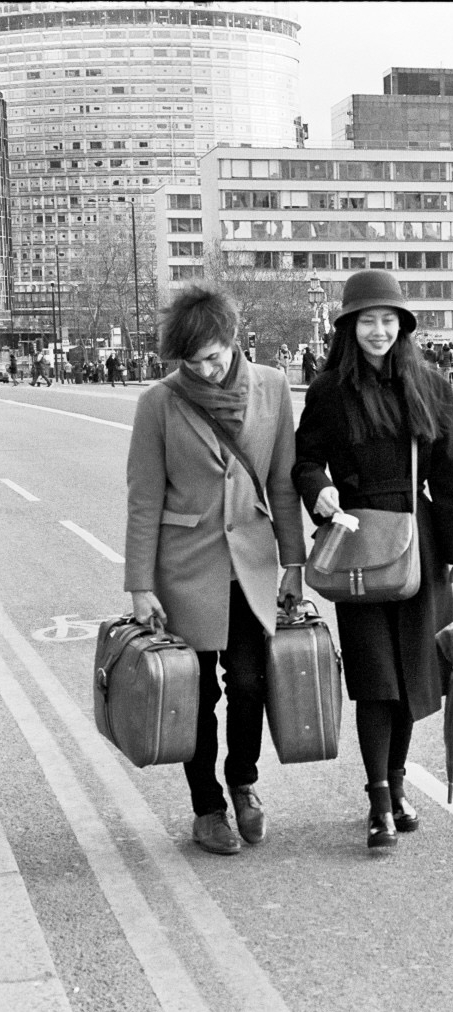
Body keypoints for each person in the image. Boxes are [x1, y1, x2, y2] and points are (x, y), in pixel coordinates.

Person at [293, 269, 453, 851]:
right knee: (375, 679)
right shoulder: (328, 391)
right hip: (358, 544)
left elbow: (452, 475)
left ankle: (397, 786)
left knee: (413, 682)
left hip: (418, 545)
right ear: (349, 327)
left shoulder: (429, 385)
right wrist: (318, 491)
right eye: (367, 321)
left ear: (403, 327)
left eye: (388, 321)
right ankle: (377, 800)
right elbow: (305, 461)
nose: (378, 331)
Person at [124, 285, 305, 856]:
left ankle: (243, 781)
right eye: (193, 360)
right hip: (186, 569)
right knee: (195, 694)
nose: (206, 368)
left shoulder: (274, 388)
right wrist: (140, 584)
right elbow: (143, 498)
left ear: (232, 339)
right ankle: (207, 809)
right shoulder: (160, 402)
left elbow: (282, 483)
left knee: (250, 683)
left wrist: (293, 564)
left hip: (250, 566)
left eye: (215, 355)